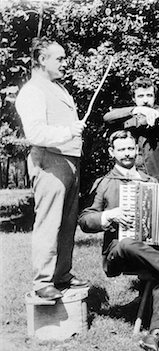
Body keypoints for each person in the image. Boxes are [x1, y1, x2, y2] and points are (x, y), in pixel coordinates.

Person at [78, 130, 159, 351]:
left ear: (136, 150)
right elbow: (84, 220)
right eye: (122, 149)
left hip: (152, 254)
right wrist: (110, 215)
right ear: (112, 152)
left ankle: (157, 333)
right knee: (128, 243)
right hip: (118, 256)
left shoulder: (150, 181)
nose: (127, 153)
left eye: (130, 148)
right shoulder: (104, 183)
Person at [15, 37, 89, 301]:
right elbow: (35, 133)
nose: (65, 63)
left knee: (68, 223)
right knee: (49, 222)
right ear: (42, 59)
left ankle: (62, 275)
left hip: (69, 161)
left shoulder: (57, 87)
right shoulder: (33, 91)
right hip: (49, 161)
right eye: (60, 58)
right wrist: (69, 131)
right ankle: (43, 282)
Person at [103, 77, 159, 183]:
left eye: (149, 95)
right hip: (131, 180)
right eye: (141, 96)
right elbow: (107, 117)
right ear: (134, 99)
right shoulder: (129, 118)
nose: (145, 100)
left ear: (154, 97)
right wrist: (138, 109)